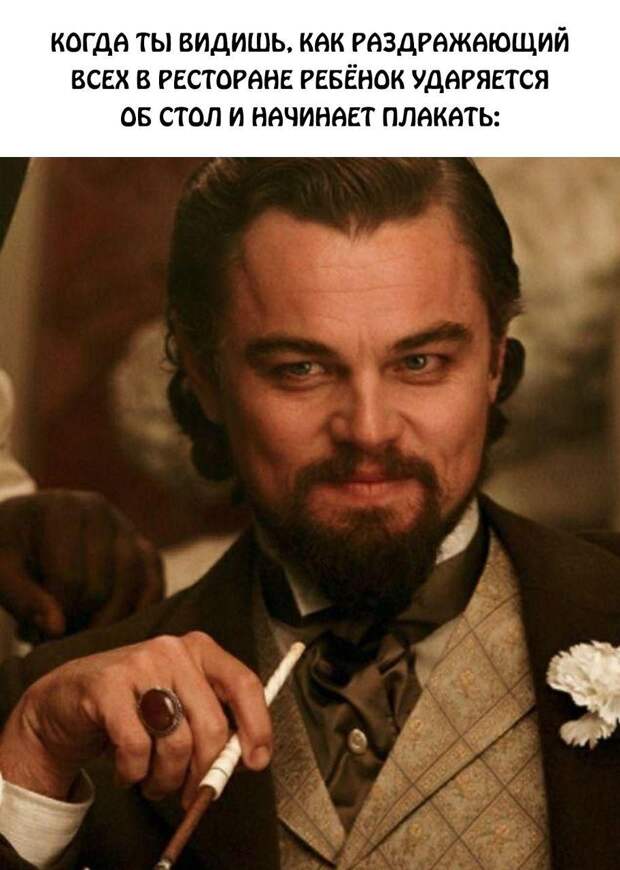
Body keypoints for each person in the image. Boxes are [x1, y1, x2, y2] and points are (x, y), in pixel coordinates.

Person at [0, 158, 618, 870]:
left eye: (420, 362)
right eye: (301, 369)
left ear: (495, 365)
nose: (369, 430)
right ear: (205, 380)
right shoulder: (55, 718)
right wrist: (34, 763)